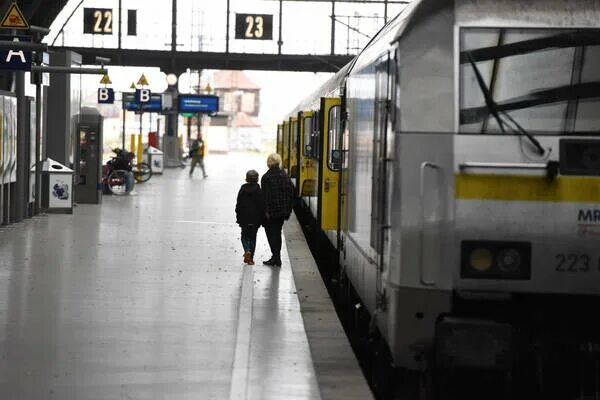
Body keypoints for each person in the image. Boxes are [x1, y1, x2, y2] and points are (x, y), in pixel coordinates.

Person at [261, 153, 294, 267]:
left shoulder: (266, 177)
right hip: (282, 212)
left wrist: (265, 212)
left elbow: (265, 197)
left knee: (271, 234)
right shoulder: (285, 175)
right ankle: (276, 257)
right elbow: (290, 195)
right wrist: (288, 210)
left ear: (269, 163)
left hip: (270, 213)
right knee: (277, 233)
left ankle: (275, 257)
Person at [235, 170, 265, 265]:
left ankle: (247, 250)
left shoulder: (243, 188)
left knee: (244, 236)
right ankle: (251, 259)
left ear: (246, 179)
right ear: (257, 179)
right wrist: (261, 218)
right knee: (253, 237)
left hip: (244, 218)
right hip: (255, 219)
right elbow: (261, 205)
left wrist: (238, 215)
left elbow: (238, 203)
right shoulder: (259, 190)